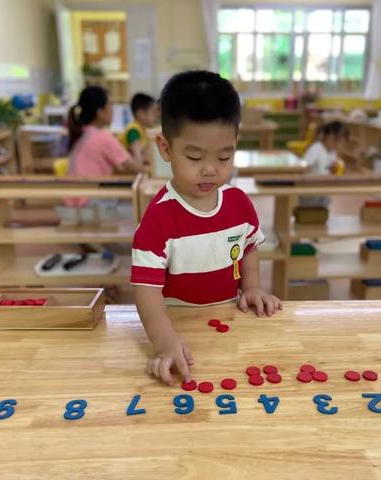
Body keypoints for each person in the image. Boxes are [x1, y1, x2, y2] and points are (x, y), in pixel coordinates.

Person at [131, 70, 282, 386]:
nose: (210, 169)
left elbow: (248, 248)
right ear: (165, 148)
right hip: (176, 323)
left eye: (224, 156)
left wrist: (252, 287)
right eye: (194, 156)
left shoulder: (239, 203)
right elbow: (146, 291)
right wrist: (163, 339)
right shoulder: (158, 219)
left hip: (228, 319)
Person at [64, 85, 144, 210]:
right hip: (88, 204)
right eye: (110, 104)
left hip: (76, 202)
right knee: (142, 210)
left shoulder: (84, 133)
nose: (112, 109)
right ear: (100, 112)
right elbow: (139, 169)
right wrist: (136, 148)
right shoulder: (102, 137)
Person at [297, 121, 347, 208]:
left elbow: (330, 168)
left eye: (340, 141)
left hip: (323, 191)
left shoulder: (331, 152)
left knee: (322, 212)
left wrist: (333, 168)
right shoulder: (316, 149)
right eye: (336, 140)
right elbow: (304, 167)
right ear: (327, 137)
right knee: (310, 214)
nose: (338, 144)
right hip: (310, 192)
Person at [120, 92, 158, 166]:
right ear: (141, 113)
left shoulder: (142, 130)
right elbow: (138, 161)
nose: (156, 116)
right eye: (153, 113)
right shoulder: (133, 131)